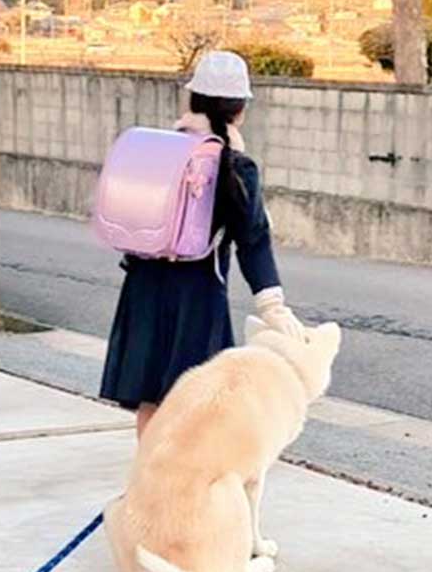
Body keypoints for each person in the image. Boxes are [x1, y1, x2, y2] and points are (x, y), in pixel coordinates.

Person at [100, 50, 305, 439]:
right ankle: (183, 492)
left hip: (143, 286)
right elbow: (253, 238)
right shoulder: (234, 165)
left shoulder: (161, 149)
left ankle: (148, 487)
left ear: (191, 99)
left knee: (151, 401)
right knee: (195, 405)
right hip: (197, 294)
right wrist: (272, 304)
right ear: (239, 110)